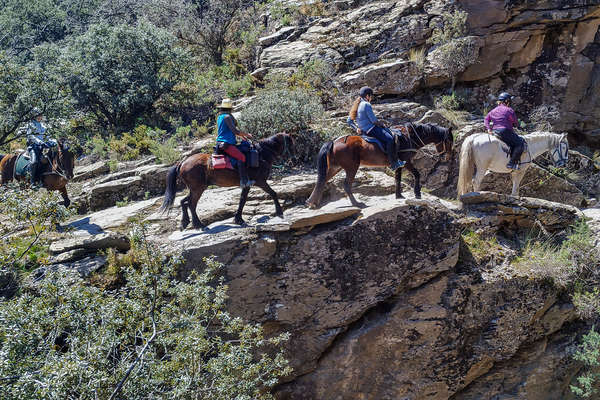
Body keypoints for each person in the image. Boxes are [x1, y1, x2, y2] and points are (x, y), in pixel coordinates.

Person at [348, 87, 405, 170]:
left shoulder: (357, 105)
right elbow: (374, 121)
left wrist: (356, 128)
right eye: (371, 96)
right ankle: (393, 163)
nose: (371, 98)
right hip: (371, 129)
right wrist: (382, 124)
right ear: (367, 96)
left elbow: (349, 120)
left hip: (363, 132)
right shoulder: (366, 104)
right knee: (390, 139)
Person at [215, 99, 255, 188]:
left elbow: (227, 131)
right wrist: (247, 135)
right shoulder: (228, 117)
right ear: (230, 108)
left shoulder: (220, 117)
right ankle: (244, 181)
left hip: (220, 143)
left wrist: (242, 137)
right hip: (227, 144)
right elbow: (235, 131)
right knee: (242, 157)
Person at [484, 92, 524, 170]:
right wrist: (518, 125)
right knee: (520, 143)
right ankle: (511, 163)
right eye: (509, 101)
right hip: (505, 131)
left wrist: (489, 129)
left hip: (495, 132)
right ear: (506, 101)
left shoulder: (493, 111)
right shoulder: (509, 110)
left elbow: (486, 119)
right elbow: (515, 122)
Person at [25, 108, 56, 188]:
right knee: (34, 162)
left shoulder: (43, 126)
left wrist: (53, 141)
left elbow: (47, 136)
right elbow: (30, 136)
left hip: (41, 148)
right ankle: (32, 182)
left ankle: (41, 180)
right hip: (33, 147)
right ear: (34, 116)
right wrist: (39, 142)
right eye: (37, 115)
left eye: (40, 115)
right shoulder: (31, 124)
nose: (39, 117)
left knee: (47, 161)